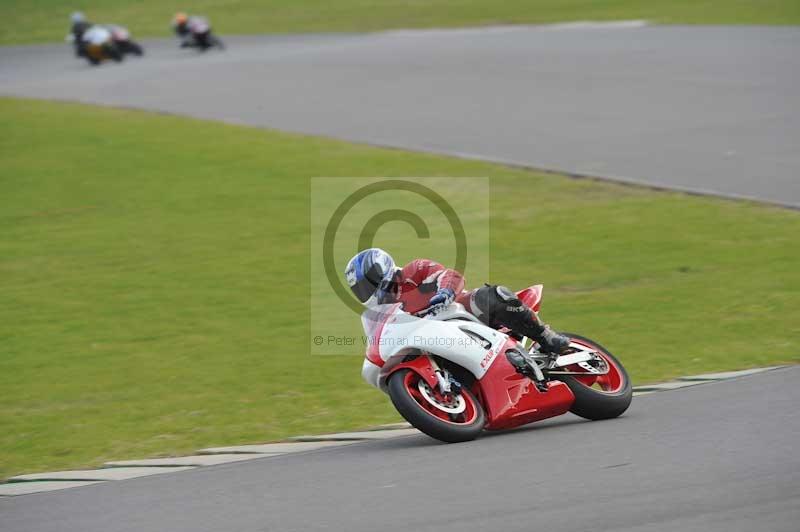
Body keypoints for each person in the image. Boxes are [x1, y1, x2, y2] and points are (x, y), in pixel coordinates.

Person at [344, 248, 570, 354]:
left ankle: (544, 336)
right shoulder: (381, 312)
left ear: (381, 268)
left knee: (492, 295)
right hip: (433, 340)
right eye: (361, 288)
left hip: (461, 312)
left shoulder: (414, 270)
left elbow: (448, 274)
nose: (367, 290)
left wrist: (445, 292)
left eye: (369, 281)